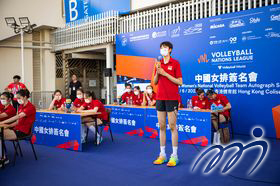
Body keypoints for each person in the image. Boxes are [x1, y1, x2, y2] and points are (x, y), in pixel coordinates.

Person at [153, 41, 183, 167]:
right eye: (161, 48)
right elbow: (155, 82)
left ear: (170, 49)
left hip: (172, 98)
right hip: (160, 98)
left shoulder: (175, 63)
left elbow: (180, 82)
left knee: (172, 126)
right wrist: (158, 71)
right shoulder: (158, 64)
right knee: (161, 126)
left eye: (165, 48)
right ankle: (162, 154)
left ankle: (175, 156)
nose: (162, 49)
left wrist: (166, 74)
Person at [0, 89, 36, 166]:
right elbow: (17, 122)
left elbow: (18, 116)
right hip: (16, 129)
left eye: (19, 98)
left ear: (25, 97)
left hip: (23, 131)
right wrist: (7, 126)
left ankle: (3, 158)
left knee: (0, 134)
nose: (17, 100)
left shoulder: (31, 107)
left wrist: (2, 123)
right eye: (17, 98)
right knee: (1, 132)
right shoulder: (20, 107)